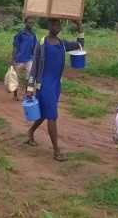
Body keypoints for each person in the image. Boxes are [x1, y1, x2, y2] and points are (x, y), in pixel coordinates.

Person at [25, 19, 84, 162]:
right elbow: (34, 68)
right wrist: (30, 87)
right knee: (52, 116)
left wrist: (79, 26)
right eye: (54, 24)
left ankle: (30, 132)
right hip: (44, 84)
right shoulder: (42, 44)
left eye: (59, 25)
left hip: (56, 83)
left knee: (46, 113)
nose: (56, 27)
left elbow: (80, 45)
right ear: (48, 25)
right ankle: (56, 150)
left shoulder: (62, 43)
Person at [11, 17, 37, 101]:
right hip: (19, 59)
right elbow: (15, 46)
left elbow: (34, 48)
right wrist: (12, 59)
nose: (31, 25)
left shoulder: (33, 35)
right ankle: (15, 94)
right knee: (16, 78)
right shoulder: (20, 34)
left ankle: (27, 94)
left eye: (32, 23)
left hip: (29, 59)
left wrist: (34, 58)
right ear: (25, 23)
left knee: (30, 78)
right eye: (29, 23)